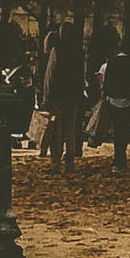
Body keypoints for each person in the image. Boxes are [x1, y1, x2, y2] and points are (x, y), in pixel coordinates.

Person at [41, 23, 87, 172]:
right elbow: (82, 75)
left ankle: (55, 162)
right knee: (70, 131)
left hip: (58, 95)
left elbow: (50, 75)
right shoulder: (79, 52)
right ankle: (70, 162)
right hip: (73, 95)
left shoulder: (57, 50)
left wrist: (46, 96)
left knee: (57, 131)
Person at [99, 41, 130, 171]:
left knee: (117, 131)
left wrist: (105, 95)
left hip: (113, 100)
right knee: (125, 131)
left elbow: (107, 82)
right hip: (129, 101)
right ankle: (120, 158)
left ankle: (118, 159)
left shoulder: (112, 61)